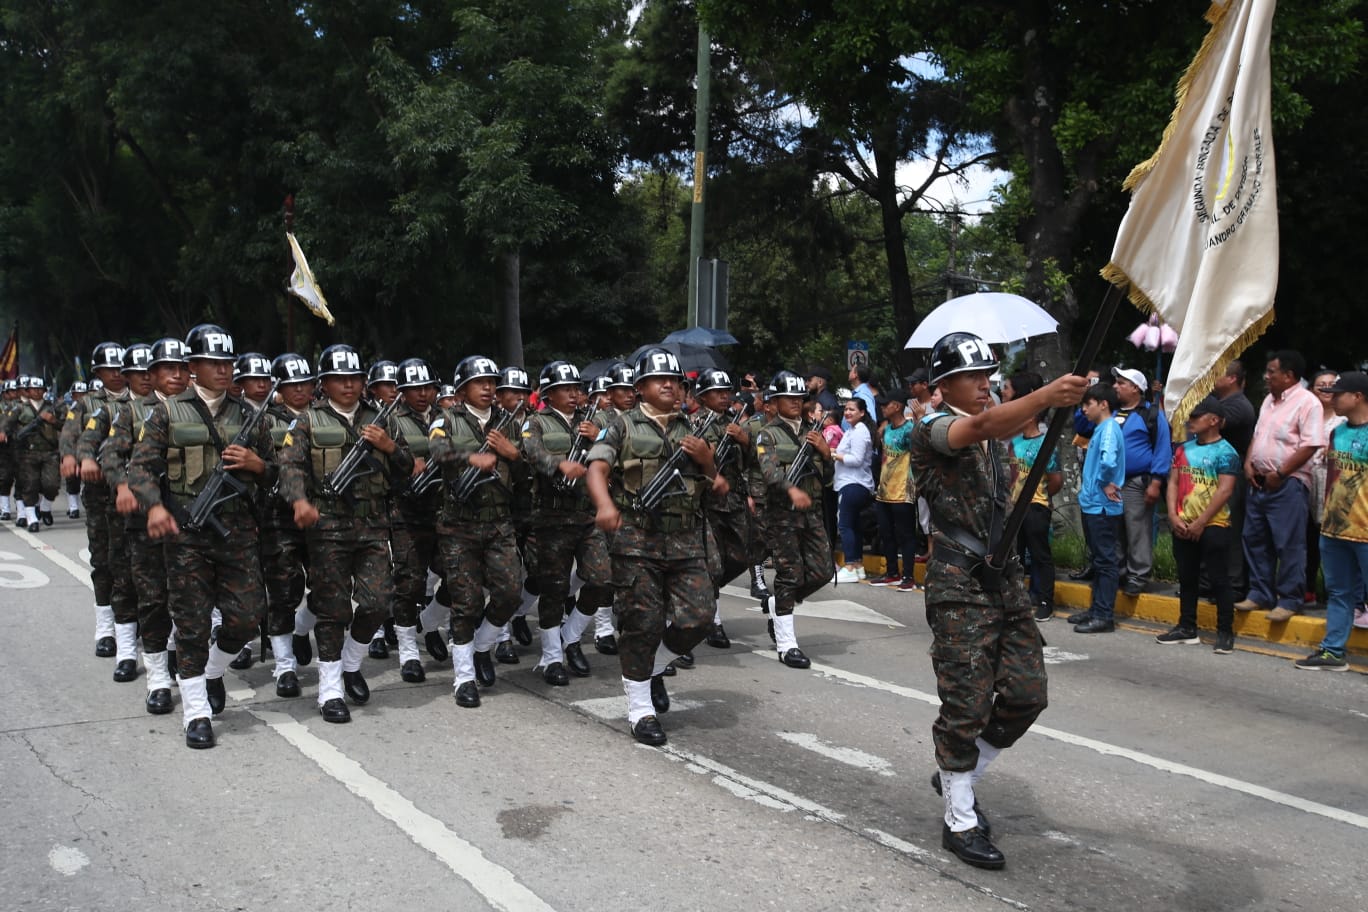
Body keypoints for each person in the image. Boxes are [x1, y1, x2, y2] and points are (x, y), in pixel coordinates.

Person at [910, 331, 1086, 870]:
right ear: (944, 385)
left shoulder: (999, 437)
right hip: (958, 582)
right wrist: (1044, 397)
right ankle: (959, 816)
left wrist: (1048, 412)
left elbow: (996, 431)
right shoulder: (934, 429)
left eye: (989, 375)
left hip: (1002, 578)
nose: (985, 384)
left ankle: (959, 773)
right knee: (966, 700)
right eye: (973, 376)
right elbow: (979, 425)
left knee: (1028, 693)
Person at [125, 324, 275, 749]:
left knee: (248, 615)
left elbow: (278, 474)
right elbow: (139, 469)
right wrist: (154, 506)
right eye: (214, 363)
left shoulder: (249, 414)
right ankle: (195, 710)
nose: (224, 370)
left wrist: (258, 465)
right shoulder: (167, 413)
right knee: (190, 624)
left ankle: (213, 670)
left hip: (238, 533)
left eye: (228, 363)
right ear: (193, 368)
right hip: (187, 535)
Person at [584, 347, 719, 745]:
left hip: (684, 541)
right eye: (660, 380)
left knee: (699, 618)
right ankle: (641, 711)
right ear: (641, 388)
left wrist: (708, 459)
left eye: (675, 381)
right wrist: (605, 505)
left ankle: (656, 665)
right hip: (636, 540)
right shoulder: (621, 426)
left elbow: (713, 479)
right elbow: (597, 468)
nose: (669, 386)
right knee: (642, 624)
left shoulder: (692, 430)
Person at [277, 344, 413, 724]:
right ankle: (330, 688)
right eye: (340, 379)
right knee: (333, 610)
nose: (349, 385)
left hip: (371, 526)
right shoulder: (307, 420)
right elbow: (289, 467)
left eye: (355, 378)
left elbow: (406, 467)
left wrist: (388, 446)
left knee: (377, 602)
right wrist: (300, 502)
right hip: (327, 529)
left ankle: (352, 661)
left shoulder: (382, 418)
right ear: (325, 384)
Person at [428, 355, 526, 708]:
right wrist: (472, 458)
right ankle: (464, 676)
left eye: (492, 382)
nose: (488, 388)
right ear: (463, 388)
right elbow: (437, 450)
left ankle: (483, 644)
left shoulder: (509, 422)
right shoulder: (447, 419)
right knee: (466, 601)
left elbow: (530, 463)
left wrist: (513, 454)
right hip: (459, 524)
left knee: (510, 593)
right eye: (480, 382)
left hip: (499, 521)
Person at [105, 337, 191, 713]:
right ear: (151, 376)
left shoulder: (200, 409)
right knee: (153, 598)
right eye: (166, 369)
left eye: (182, 368)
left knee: (188, 599)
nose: (176, 375)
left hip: (191, 520)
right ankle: (157, 675)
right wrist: (123, 485)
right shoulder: (132, 412)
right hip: (146, 521)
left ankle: (183, 661)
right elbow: (111, 452)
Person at [519, 360, 614, 686]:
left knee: (602, 579)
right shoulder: (536, 422)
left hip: (586, 516)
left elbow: (611, 457)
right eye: (566, 389)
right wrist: (560, 465)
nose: (574, 395)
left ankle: (570, 636)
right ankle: (551, 656)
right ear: (549, 393)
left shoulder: (594, 422)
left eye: (577, 389)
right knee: (555, 588)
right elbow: (532, 453)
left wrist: (597, 437)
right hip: (552, 518)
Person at [77, 343, 153, 682]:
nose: (147, 379)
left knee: (163, 582)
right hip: (117, 504)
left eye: (153, 372)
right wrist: (82, 458)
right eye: (139, 373)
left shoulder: (174, 408)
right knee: (116, 569)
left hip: (165, 505)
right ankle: (121, 644)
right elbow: (87, 442)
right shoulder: (113, 409)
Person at [1237, 351, 1325, 622]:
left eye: (1271, 371)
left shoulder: (1308, 402)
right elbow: (1258, 435)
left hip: (1288, 483)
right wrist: (1249, 463)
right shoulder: (1268, 401)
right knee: (1255, 538)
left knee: (1288, 543)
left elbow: (1311, 443)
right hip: (1259, 480)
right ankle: (1261, 593)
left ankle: (1289, 599)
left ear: (1288, 375)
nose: (1266, 376)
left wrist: (1282, 472)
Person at [755, 370, 834, 669]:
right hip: (782, 514)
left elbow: (827, 480)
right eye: (787, 397)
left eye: (799, 397)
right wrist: (791, 490)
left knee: (823, 570)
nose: (794, 402)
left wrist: (826, 454)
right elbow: (769, 472)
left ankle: (778, 604)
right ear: (774, 402)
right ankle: (786, 644)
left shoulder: (811, 432)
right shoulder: (768, 433)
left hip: (810, 513)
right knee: (789, 575)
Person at [1294, 371, 1368, 669]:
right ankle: (1332, 651)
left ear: (1358, 397)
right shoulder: (1337, 432)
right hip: (1334, 528)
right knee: (1340, 593)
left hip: (1365, 531)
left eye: (1339, 394)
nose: (1332, 398)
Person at [1157, 396, 1239, 653]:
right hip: (1183, 521)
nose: (1190, 421)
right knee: (1187, 577)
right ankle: (1186, 626)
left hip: (1214, 524)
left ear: (1214, 420)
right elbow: (1172, 482)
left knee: (1219, 580)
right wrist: (1172, 515)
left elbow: (1225, 491)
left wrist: (1202, 522)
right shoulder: (1183, 449)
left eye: (1196, 417)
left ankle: (1225, 632)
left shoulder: (1226, 452)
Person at [1002, 372, 1062, 621]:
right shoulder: (1014, 442)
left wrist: (1040, 498)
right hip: (1015, 506)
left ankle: (1046, 599)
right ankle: (1022, 596)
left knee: (1040, 554)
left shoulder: (1045, 443)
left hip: (1036, 506)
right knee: (1017, 554)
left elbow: (1056, 480)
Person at [1067, 382, 1125, 633]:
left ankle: (1104, 615)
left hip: (1102, 506)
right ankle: (1096, 609)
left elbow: (1109, 460)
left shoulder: (1109, 428)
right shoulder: (1102, 428)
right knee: (1099, 560)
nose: (1084, 410)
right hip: (1093, 504)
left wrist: (1104, 483)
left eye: (1087, 404)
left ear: (1104, 404)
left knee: (1105, 561)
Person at [1111, 367, 1171, 596]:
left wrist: (1156, 482)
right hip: (1112, 483)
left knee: (1137, 529)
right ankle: (1118, 571)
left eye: (1121, 383)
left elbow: (1162, 448)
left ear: (1136, 388)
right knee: (1115, 530)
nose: (1116, 386)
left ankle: (1138, 574)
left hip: (1136, 481)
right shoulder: (1112, 411)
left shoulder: (1151, 414)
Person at [870, 390, 923, 591]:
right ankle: (892, 573)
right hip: (884, 490)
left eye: (886, 404)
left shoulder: (910, 430)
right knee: (886, 533)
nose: (883, 407)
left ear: (898, 406)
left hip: (903, 490)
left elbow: (921, 448)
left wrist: (919, 422)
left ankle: (908, 577)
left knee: (905, 534)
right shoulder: (887, 429)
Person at [1212, 361, 1256, 594]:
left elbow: (1211, 425)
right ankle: (1214, 581)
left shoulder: (1238, 405)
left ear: (1232, 378)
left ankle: (1235, 583)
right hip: (1217, 473)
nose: (1211, 377)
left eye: (1217, 372)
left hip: (1233, 475)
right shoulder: (1221, 402)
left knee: (1231, 528)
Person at [1306, 370, 1346, 605]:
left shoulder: (1343, 420)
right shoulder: (1307, 413)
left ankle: (1335, 591)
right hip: (1307, 481)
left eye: (1332, 385)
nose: (1326, 389)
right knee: (1308, 539)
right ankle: (1308, 587)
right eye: (1321, 385)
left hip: (1332, 484)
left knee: (1331, 542)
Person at [832, 397, 876, 582]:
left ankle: (849, 565)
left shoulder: (860, 431)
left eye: (852, 409)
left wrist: (835, 455)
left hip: (853, 483)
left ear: (862, 412)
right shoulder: (852, 430)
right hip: (852, 483)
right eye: (846, 409)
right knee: (854, 526)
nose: (848, 412)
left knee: (845, 525)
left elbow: (857, 459)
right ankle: (857, 566)